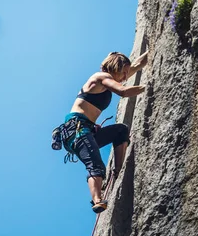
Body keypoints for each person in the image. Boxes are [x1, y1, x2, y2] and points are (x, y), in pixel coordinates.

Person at [54, 51, 147, 213]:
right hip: (77, 129)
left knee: (121, 130)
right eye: (124, 72)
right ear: (116, 67)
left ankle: (118, 171)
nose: (126, 76)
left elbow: (137, 66)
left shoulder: (111, 77)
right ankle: (97, 200)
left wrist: (151, 50)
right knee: (95, 165)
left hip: (86, 130)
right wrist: (147, 87)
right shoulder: (101, 77)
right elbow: (123, 92)